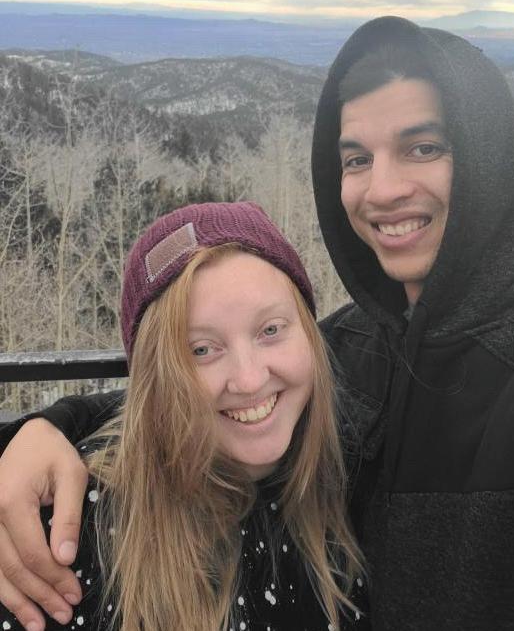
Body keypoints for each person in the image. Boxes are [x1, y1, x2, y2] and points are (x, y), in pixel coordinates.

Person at [1, 14, 514, 630]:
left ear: (491, 158)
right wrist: (46, 429)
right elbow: (192, 397)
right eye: (357, 159)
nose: (382, 189)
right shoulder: (353, 345)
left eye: (424, 148)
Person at [0, 201, 368, 631]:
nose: (249, 379)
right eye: (201, 350)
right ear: (157, 378)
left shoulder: (360, 459)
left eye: (270, 330)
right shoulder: (82, 530)